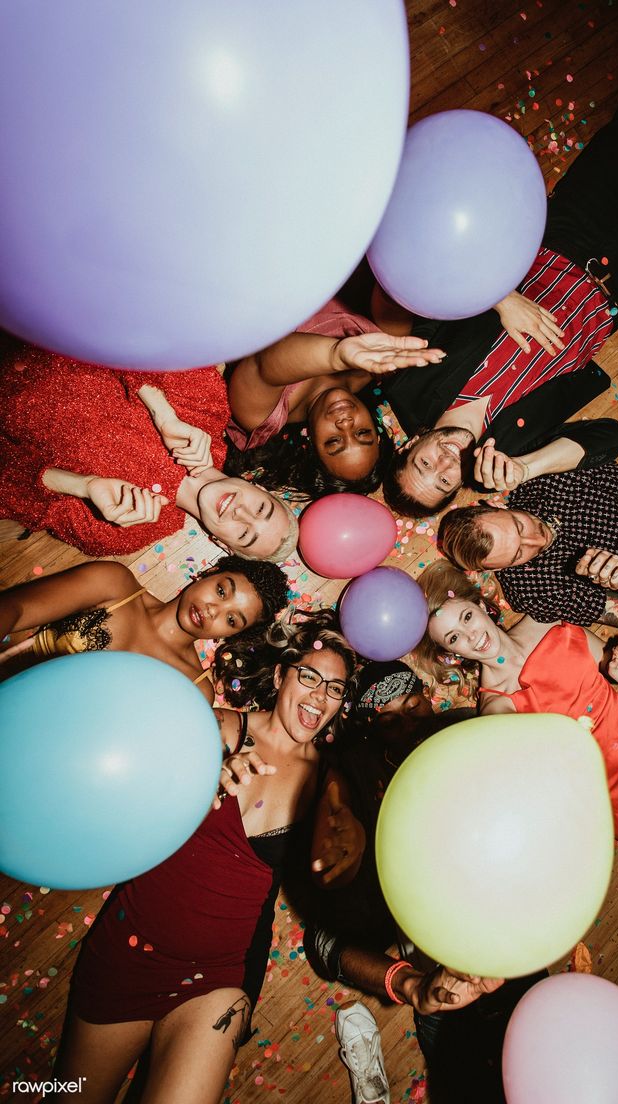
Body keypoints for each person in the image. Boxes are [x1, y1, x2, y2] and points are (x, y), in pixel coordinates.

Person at [379, 7, 618, 516]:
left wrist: (502, 299)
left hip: (564, 237)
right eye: (443, 483)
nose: (443, 463)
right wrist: (528, 468)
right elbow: (610, 436)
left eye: (422, 465)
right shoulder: (508, 456)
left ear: (408, 446)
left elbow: (427, 273)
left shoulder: (407, 383)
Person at [53, 613, 365, 1104]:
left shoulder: (328, 778)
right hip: (129, 955)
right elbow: (121, 791)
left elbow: (338, 836)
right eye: (310, 676)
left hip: (218, 980)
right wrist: (204, 772)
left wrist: (352, 842)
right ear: (282, 675)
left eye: (336, 689)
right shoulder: (215, 726)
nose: (321, 696)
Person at [304, 660, 544, 1104]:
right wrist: (415, 987)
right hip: (451, 994)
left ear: (430, 697)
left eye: (414, 704)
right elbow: (325, 945)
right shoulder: (368, 777)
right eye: (392, 720)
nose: (410, 721)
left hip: (514, 949)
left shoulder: (467, 733)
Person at [415, 560, 618, 877]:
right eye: (454, 638)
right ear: (450, 654)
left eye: (467, 617)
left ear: (480, 606)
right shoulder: (496, 709)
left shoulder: (544, 620)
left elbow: (611, 667)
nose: (471, 636)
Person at [0, 336, 298, 560]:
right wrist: (162, 412)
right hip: (31, 327)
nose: (241, 513)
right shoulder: (209, 408)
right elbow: (129, 328)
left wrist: (84, 486)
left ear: (223, 545)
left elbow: (6, 485)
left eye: (245, 534)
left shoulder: (123, 533)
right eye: (261, 508)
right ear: (257, 485)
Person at [437, 460, 618, 637]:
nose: (536, 540)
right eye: (519, 554)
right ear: (499, 569)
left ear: (496, 504)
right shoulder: (532, 591)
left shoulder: (545, 482)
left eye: (518, 525)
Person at [0, 556, 288, 716]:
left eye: (231, 619)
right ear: (210, 572)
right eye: (222, 591)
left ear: (233, 635)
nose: (213, 610)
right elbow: (16, 608)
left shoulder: (194, 690)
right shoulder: (114, 585)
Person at [223, 299, 445, 498]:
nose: (346, 424)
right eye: (362, 432)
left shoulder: (259, 417)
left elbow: (263, 363)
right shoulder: (382, 362)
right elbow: (391, 294)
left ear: (309, 444)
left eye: (334, 441)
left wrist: (337, 355)